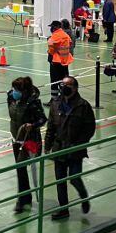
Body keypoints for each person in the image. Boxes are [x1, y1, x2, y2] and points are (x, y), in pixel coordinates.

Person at [44, 76, 95, 221]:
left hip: (75, 150)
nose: (63, 87)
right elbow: (51, 127)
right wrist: (47, 146)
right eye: (62, 85)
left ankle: (83, 196)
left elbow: (89, 128)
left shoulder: (83, 106)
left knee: (74, 178)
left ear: (75, 88)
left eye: (67, 85)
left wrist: (79, 144)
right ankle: (63, 209)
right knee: (60, 181)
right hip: (59, 148)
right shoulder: (55, 104)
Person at [7, 76, 45, 212]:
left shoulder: (33, 103)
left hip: (30, 140)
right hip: (15, 138)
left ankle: (22, 199)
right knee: (20, 168)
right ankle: (25, 195)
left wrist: (32, 125)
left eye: (17, 89)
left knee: (21, 165)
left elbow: (42, 119)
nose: (13, 91)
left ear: (24, 91)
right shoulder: (11, 97)